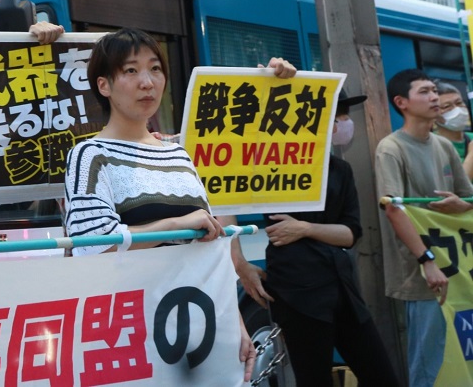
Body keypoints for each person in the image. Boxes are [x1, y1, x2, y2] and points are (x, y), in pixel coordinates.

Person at [62, 27, 295, 383]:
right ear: (103, 85)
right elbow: (91, 245)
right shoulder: (90, 154)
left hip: (203, 331)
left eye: (155, 69)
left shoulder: (179, 153)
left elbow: (210, 251)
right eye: (130, 71)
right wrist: (176, 224)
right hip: (128, 335)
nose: (148, 82)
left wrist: (234, 323)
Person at [233, 89, 402, 387]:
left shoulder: (341, 169)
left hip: (344, 291)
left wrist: (305, 229)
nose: (343, 122)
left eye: (343, 116)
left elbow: (350, 233)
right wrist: (241, 264)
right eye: (338, 114)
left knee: (382, 376)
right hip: (299, 294)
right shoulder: (273, 163)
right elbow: (227, 205)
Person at [375, 69, 473, 387]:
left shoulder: (443, 146)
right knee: (430, 363)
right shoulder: (391, 148)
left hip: (458, 271)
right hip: (423, 276)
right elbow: (393, 209)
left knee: (461, 355)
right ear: (401, 102)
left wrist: (464, 205)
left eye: (434, 91)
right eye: (425, 92)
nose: (434, 97)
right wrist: (427, 261)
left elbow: (467, 196)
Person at [432, 80, 473, 179]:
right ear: (433, 115)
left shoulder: (471, 137)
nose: (457, 109)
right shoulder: (433, 147)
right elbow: (458, 188)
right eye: (447, 106)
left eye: (459, 103)